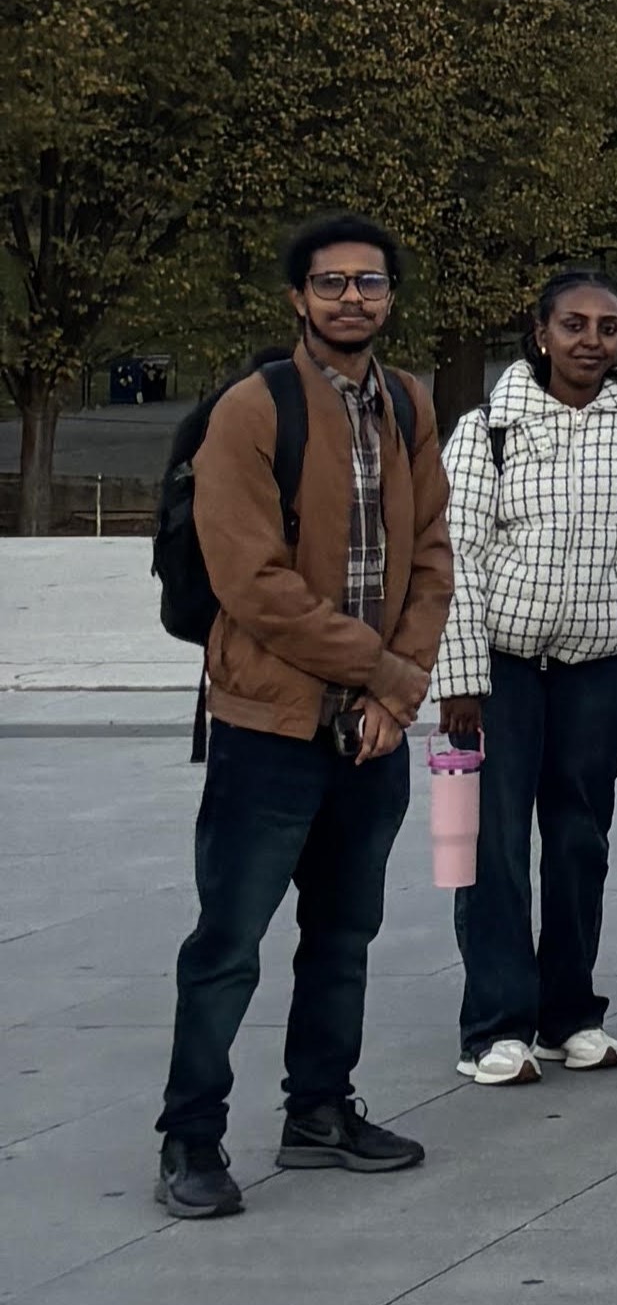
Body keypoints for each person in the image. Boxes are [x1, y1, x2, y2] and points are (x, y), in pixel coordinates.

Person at [155, 215, 455, 1220]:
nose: (351, 298)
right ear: (297, 298)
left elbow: (432, 556)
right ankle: (190, 1135)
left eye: (369, 282)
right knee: (228, 941)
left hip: (373, 729)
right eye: (331, 283)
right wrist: (383, 676)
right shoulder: (253, 409)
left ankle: (319, 1111)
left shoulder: (409, 402)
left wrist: (394, 693)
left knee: (343, 933)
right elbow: (253, 583)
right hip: (269, 724)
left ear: (391, 297)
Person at [434, 268, 617, 1085]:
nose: (591, 341)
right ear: (541, 334)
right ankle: (496, 1025)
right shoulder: (487, 427)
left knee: (581, 841)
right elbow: (454, 556)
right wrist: (459, 676)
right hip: (502, 669)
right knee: (495, 846)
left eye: (607, 327)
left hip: (597, 668)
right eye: (574, 325)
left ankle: (569, 1013)